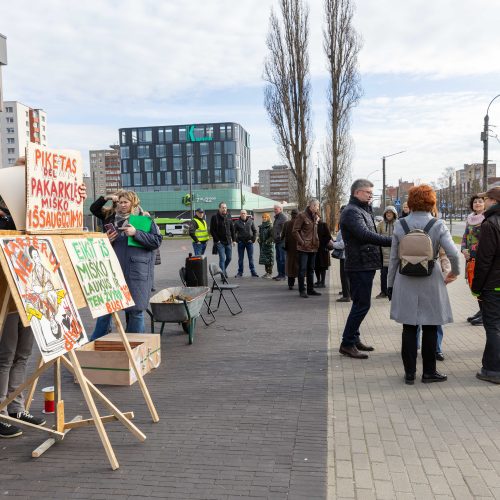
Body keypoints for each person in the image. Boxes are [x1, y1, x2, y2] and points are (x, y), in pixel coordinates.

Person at [0, 157, 86, 438]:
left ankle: (16, 406)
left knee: (23, 353)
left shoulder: (37, 212)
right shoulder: (5, 209)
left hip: (31, 295)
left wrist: (74, 200)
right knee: (6, 354)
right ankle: (1, 410)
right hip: (6, 295)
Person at [387, 184, 459, 385]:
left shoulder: (399, 224)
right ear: (431, 201)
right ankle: (429, 372)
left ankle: (409, 374)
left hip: (405, 277)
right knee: (430, 326)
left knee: (408, 327)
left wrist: (390, 285)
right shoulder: (438, 224)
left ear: (411, 202)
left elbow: (393, 258)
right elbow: (453, 252)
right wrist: (454, 272)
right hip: (431, 278)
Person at [90, 190, 162, 339]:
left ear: (133, 203)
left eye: (125, 202)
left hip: (136, 271)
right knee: (106, 309)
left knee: (135, 311)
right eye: (120, 202)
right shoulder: (110, 218)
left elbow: (156, 241)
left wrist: (136, 233)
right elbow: (94, 209)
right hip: (112, 270)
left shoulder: (143, 219)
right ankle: (97, 342)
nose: (122, 205)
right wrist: (106, 240)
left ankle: (135, 345)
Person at [339, 180, 392, 359]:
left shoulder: (362, 210)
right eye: (368, 192)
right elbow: (364, 235)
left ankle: (354, 339)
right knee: (362, 305)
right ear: (357, 193)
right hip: (358, 265)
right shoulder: (351, 212)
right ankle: (347, 343)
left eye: (371, 192)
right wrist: (391, 240)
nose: (371, 195)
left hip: (364, 264)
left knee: (359, 304)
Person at [471, 187, 500, 384]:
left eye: (487, 199)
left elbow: (484, 261)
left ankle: (492, 370)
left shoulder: (490, 224)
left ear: (493, 201)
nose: (484, 202)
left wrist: (476, 287)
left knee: (494, 327)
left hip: (493, 285)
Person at [461, 195, 486, 326]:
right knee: (473, 283)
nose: (477, 203)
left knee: (480, 283)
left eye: (480, 201)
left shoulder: (486, 218)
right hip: (470, 257)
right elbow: (465, 236)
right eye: (475, 202)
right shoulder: (470, 218)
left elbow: (485, 240)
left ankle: (484, 313)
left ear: (485, 204)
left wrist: (472, 251)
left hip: (480, 257)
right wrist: (463, 249)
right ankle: (481, 310)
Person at [292, 199, 321, 298]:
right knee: (302, 269)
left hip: (313, 247)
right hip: (304, 248)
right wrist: (302, 242)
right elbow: (295, 231)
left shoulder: (316, 217)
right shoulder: (302, 215)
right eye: (317, 206)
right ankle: (302, 290)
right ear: (312, 206)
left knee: (311, 269)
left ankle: (310, 289)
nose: (318, 208)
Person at [376, 205, 398, 298]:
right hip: (383, 253)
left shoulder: (398, 224)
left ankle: (394, 292)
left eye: (390, 213)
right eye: (387, 213)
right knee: (383, 274)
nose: (389, 214)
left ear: (394, 214)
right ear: (385, 214)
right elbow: (376, 236)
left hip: (395, 252)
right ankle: (383, 292)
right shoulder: (381, 224)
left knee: (395, 274)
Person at [210, 202, 235, 276]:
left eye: (225, 207)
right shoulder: (214, 217)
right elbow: (212, 230)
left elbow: (232, 229)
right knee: (222, 259)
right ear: (219, 208)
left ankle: (222, 270)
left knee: (229, 258)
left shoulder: (229, 216)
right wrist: (217, 240)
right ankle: (223, 275)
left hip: (228, 241)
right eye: (223, 207)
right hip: (220, 242)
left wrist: (234, 240)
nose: (224, 209)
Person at [234, 209, 258, 277]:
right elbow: (233, 232)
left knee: (251, 258)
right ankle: (240, 272)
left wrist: (253, 240)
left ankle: (253, 272)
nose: (243, 214)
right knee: (240, 258)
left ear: (246, 214)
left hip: (249, 243)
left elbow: (255, 231)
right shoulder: (237, 222)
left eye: (244, 213)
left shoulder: (251, 221)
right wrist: (237, 240)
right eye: (242, 213)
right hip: (241, 243)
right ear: (240, 214)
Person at [281, 209, 299, 290]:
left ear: (291, 215)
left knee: (290, 265)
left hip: (289, 248)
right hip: (299, 247)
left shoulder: (287, 223)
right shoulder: (300, 223)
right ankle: (302, 283)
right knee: (300, 264)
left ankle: (290, 284)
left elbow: (282, 236)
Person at [314, 220, 333, 288]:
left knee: (322, 266)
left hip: (322, 249)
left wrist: (321, 242)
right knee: (316, 266)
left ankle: (323, 282)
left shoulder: (323, 224)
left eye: (315, 215)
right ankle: (318, 281)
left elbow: (329, 236)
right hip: (315, 249)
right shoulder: (312, 224)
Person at [272, 204, 288, 281]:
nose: (274, 210)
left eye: (276, 209)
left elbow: (284, 230)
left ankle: (283, 275)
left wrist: (279, 236)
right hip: (277, 241)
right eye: (274, 209)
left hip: (282, 241)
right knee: (278, 258)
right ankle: (279, 274)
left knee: (282, 259)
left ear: (281, 209)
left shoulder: (283, 218)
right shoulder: (277, 218)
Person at [258, 213, 274, 279]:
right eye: (263, 217)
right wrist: (259, 239)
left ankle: (270, 273)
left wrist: (267, 241)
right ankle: (266, 272)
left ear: (268, 218)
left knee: (269, 259)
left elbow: (272, 236)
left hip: (268, 246)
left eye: (265, 217)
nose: (264, 218)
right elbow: (260, 234)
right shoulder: (261, 226)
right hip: (262, 245)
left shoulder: (270, 226)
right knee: (265, 260)